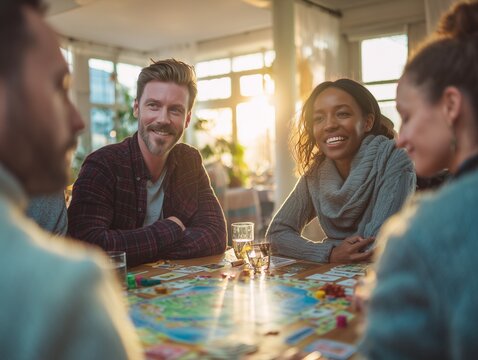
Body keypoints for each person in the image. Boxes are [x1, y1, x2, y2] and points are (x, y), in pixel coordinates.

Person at [0, 1, 143, 358]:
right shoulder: (69, 289)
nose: (79, 120)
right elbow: (94, 240)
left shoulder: (45, 198)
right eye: (59, 87)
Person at [360, 1, 478, 358]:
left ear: (450, 105)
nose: (401, 138)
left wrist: (391, 306)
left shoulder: (421, 232)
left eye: (407, 116)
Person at [68, 59, 227, 266]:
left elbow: (215, 236)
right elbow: (85, 247)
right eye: (153, 106)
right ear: (137, 108)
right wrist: (170, 230)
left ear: (187, 119)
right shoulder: (103, 166)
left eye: (175, 110)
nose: (163, 119)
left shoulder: (189, 161)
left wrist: (130, 248)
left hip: (171, 293)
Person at [266, 79, 415, 263]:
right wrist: (329, 253)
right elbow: (276, 234)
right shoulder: (317, 171)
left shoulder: (395, 158)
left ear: (367, 122)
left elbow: (376, 246)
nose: (329, 125)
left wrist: (332, 254)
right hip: (335, 275)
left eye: (342, 114)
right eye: (319, 118)